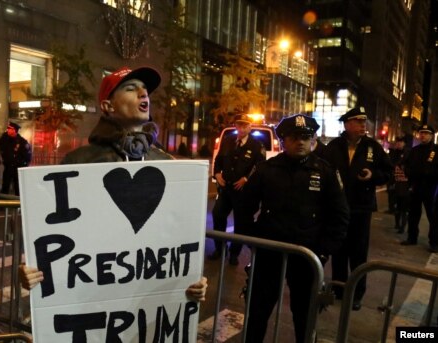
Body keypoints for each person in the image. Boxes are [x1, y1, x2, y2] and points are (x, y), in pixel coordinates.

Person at [60, 66, 207, 298]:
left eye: (145, 89)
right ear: (108, 106)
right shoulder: (78, 162)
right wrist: (37, 270)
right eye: (131, 89)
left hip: (143, 296)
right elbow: (57, 232)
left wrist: (189, 280)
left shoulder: (166, 163)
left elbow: (175, 232)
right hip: (92, 289)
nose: (143, 94)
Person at [239, 114, 349, 343]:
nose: (300, 141)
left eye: (306, 137)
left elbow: (339, 216)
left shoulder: (325, 171)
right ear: (284, 140)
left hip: (306, 256)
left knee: (305, 316)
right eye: (294, 137)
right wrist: (254, 241)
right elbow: (244, 207)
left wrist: (323, 251)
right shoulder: (266, 169)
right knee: (257, 313)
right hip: (269, 253)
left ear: (313, 140)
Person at [323, 107, 392, 310]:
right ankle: (338, 288)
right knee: (338, 250)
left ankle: (357, 293)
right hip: (337, 208)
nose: (363, 125)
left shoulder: (373, 147)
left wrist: (373, 176)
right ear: (347, 124)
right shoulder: (333, 147)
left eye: (364, 121)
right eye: (358, 121)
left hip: (361, 209)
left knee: (358, 253)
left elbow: (387, 173)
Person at [209, 113, 266, 265]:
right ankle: (220, 249)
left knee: (241, 223)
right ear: (236, 126)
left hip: (243, 192)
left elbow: (260, 166)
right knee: (217, 215)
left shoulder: (256, 145)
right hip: (226, 188)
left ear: (250, 127)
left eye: (245, 125)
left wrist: (247, 178)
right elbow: (218, 159)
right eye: (239, 124)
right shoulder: (228, 141)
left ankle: (234, 253)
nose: (241, 128)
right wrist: (217, 174)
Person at [402, 125, 438, 252]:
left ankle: (434, 242)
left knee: (433, 216)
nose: (423, 135)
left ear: (431, 135)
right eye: (421, 133)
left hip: (431, 188)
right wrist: (409, 174)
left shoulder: (436, 150)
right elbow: (406, 165)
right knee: (413, 214)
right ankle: (412, 238)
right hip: (416, 186)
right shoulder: (415, 150)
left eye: (426, 133)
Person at [0, 121, 31, 195]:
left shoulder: (22, 142)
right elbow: (2, 148)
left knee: (18, 187)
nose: (8, 130)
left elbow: (27, 156)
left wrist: (22, 165)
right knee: (5, 186)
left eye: (10, 129)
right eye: (8, 128)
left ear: (15, 130)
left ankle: (18, 203)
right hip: (8, 167)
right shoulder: (4, 139)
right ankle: (3, 204)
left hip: (18, 167)